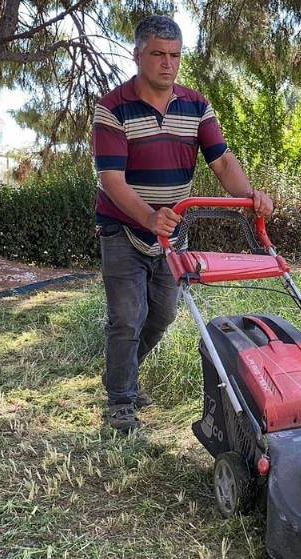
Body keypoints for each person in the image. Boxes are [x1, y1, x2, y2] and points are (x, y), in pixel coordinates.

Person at [91, 15, 273, 432]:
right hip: (123, 229)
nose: (167, 64)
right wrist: (149, 217)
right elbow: (112, 181)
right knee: (127, 317)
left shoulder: (195, 105)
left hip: (174, 233)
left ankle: (121, 373)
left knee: (163, 315)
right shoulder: (112, 108)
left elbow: (223, 161)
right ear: (138, 55)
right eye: (158, 54)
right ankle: (121, 400)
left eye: (174, 55)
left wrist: (249, 199)